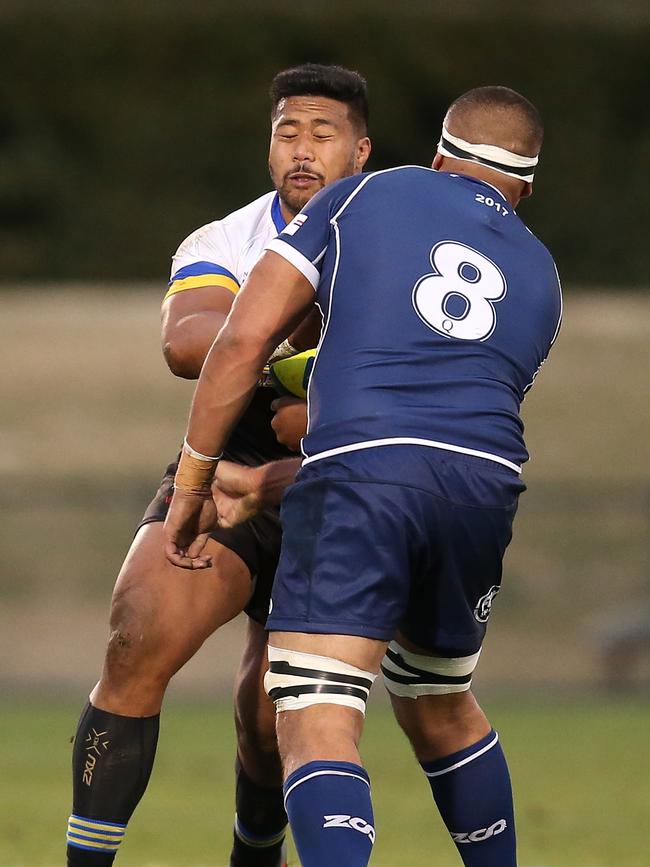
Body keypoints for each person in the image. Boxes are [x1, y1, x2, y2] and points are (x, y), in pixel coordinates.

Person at [164, 85, 562, 867]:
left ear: (441, 152)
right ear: (525, 186)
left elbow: (241, 343)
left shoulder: (367, 193)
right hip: (486, 485)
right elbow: (441, 432)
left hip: (362, 475)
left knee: (315, 711)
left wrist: (192, 483)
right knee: (439, 701)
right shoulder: (543, 273)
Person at [65, 63, 371, 867]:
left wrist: (259, 349)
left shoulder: (394, 245)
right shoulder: (227, 239)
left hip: (341, 476)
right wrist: (305, 341)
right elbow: (187, 341)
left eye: (322, 133)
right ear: (270, 150)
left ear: (361, 151)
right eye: (287, 133)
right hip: (228, 454)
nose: (302, 150)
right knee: (138, 632)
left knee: (270, 718)